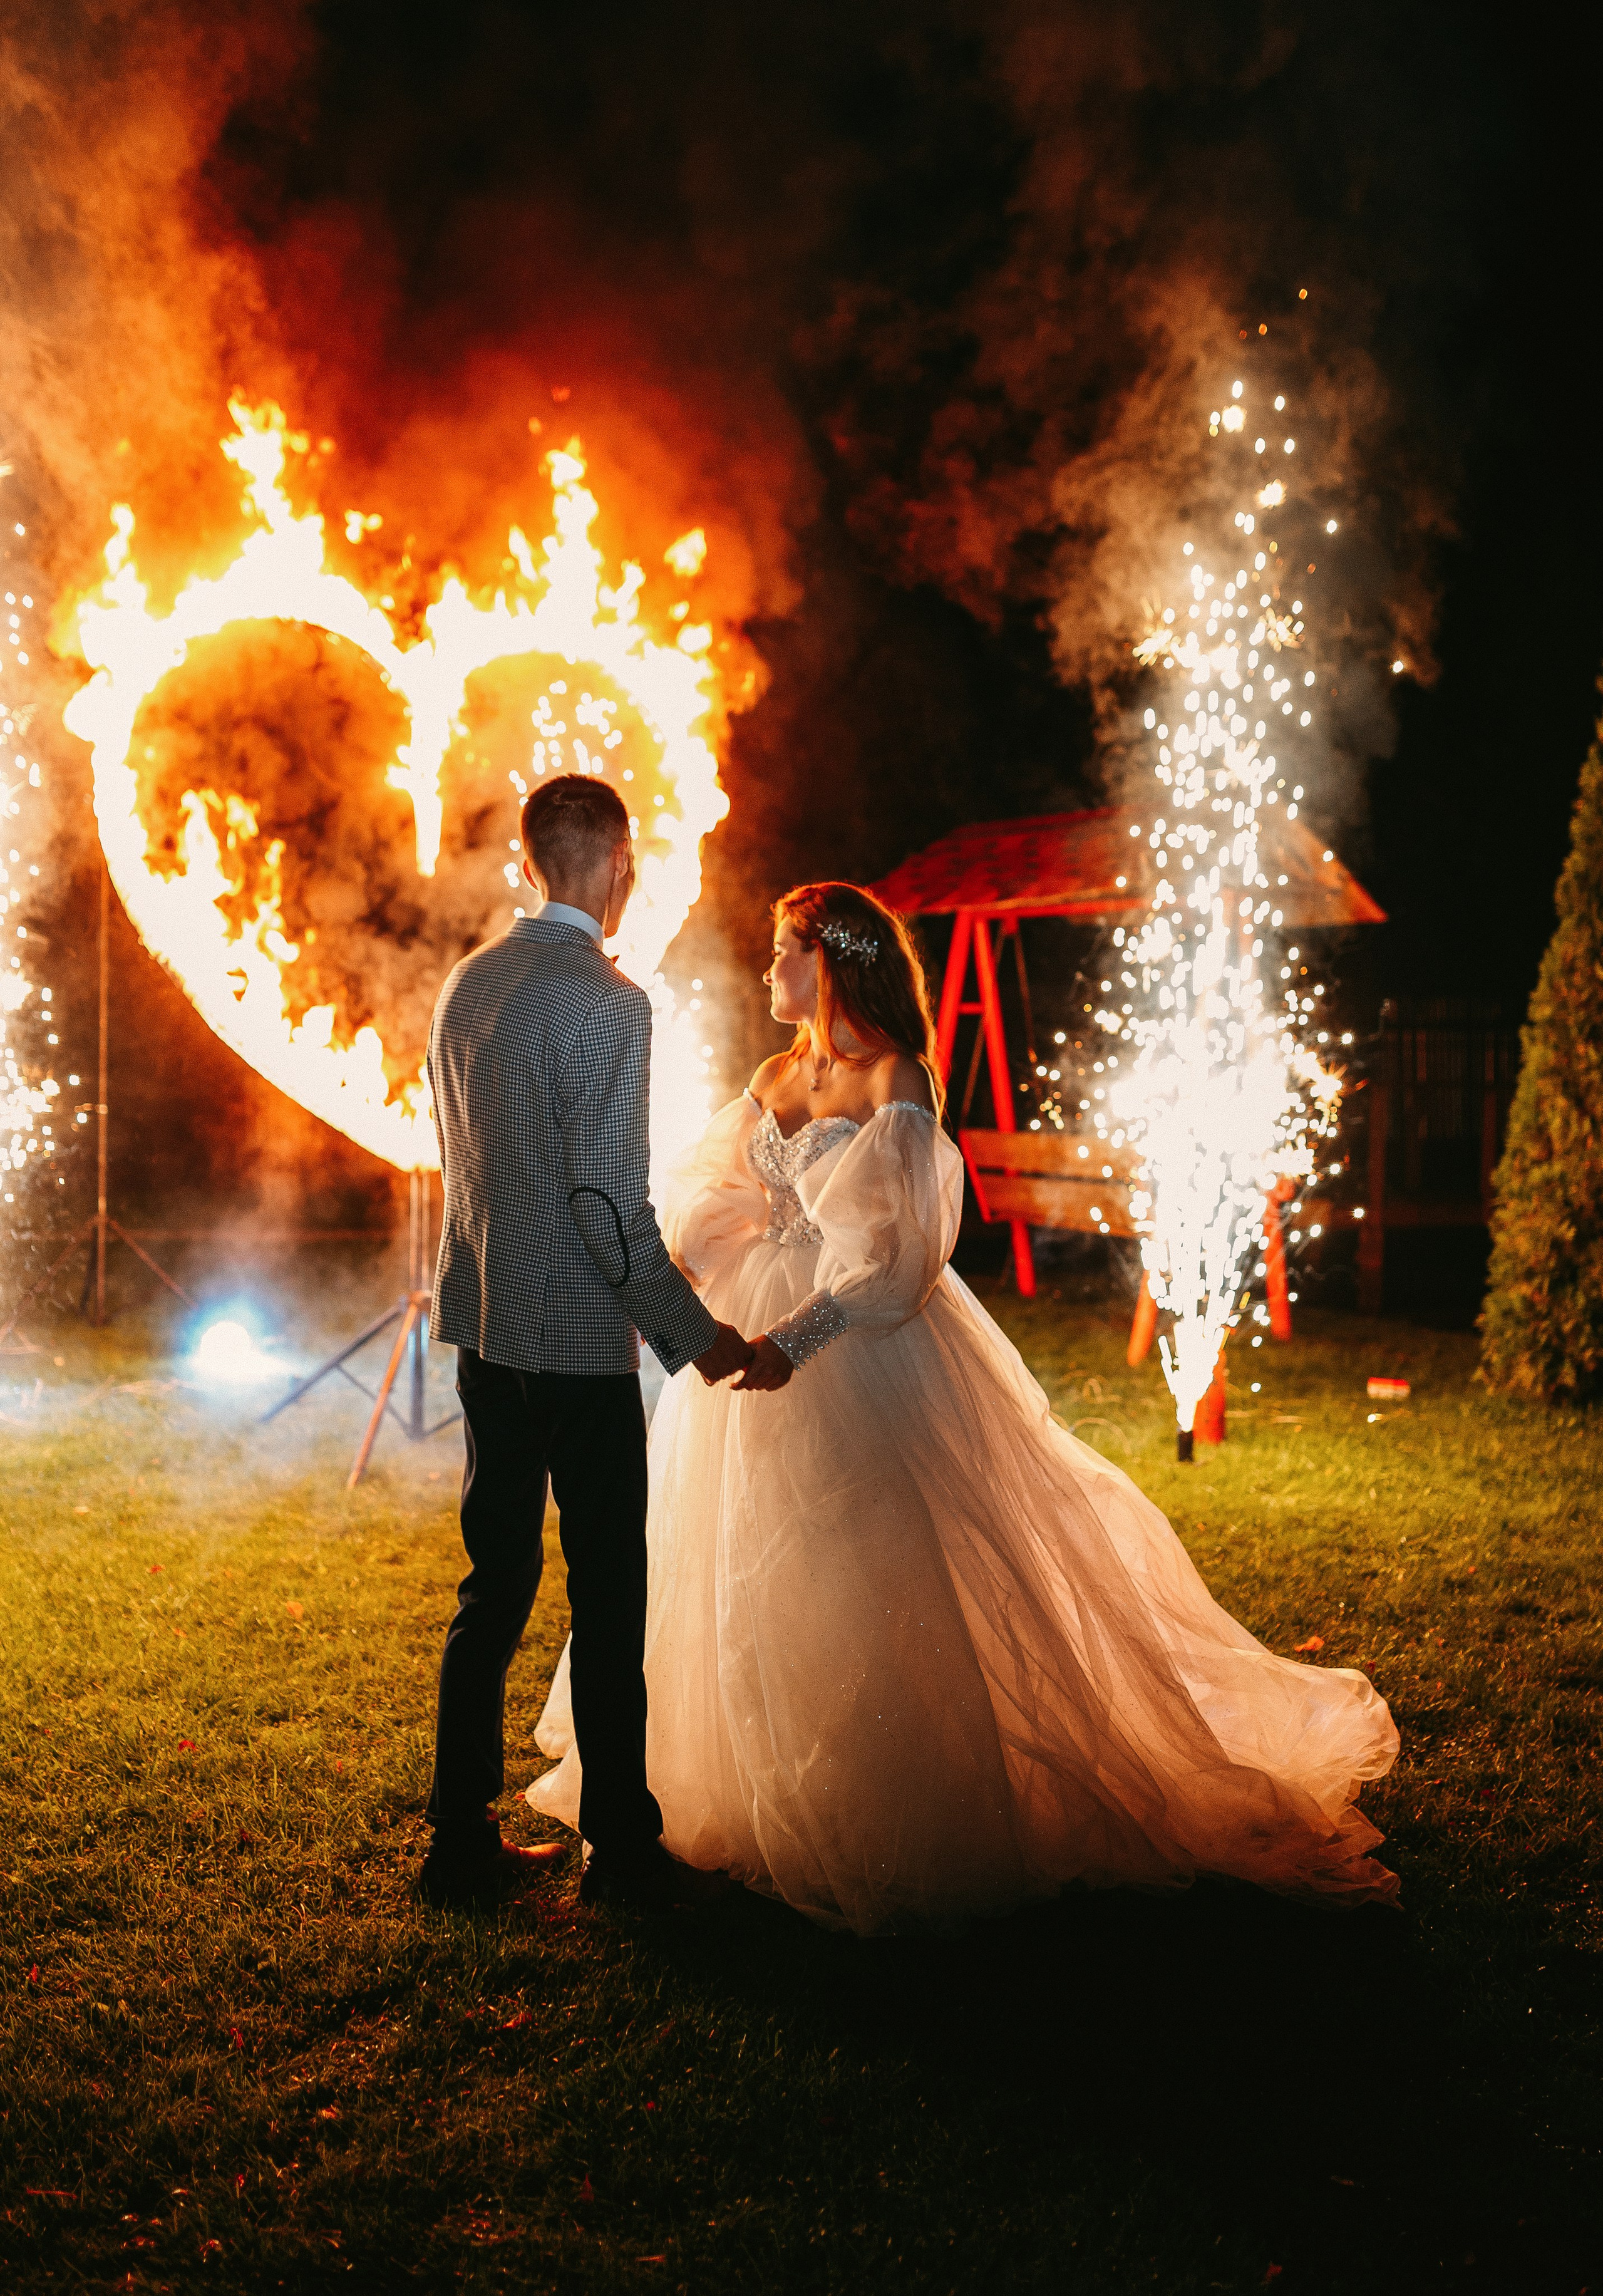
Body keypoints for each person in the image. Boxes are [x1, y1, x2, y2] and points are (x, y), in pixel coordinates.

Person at [528, 879, 1401, 1934]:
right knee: (733, 1560)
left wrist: (788, 1343)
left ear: (830, 959)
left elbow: (900, 1258)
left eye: (782, 951)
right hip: (749, 1336)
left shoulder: (900, 1077)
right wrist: (680, 1292)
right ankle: (747, 1782)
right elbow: (710, 1193)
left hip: (859, 1345)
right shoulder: (773, 1074)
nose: (769, 970)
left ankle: (894, 1794)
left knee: (871, 1555)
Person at [419, 772, 753, 1911]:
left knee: (492, 1585)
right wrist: (695, 1336)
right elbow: (611, 1208)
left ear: (530, 861)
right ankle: (620, 1844)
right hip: (573, 1348)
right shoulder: (612, 1002)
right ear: (616, 863)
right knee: (611, 1596)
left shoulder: (466, 984)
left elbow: (466, 1171)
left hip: (483, 1333)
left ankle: (456, 1840)